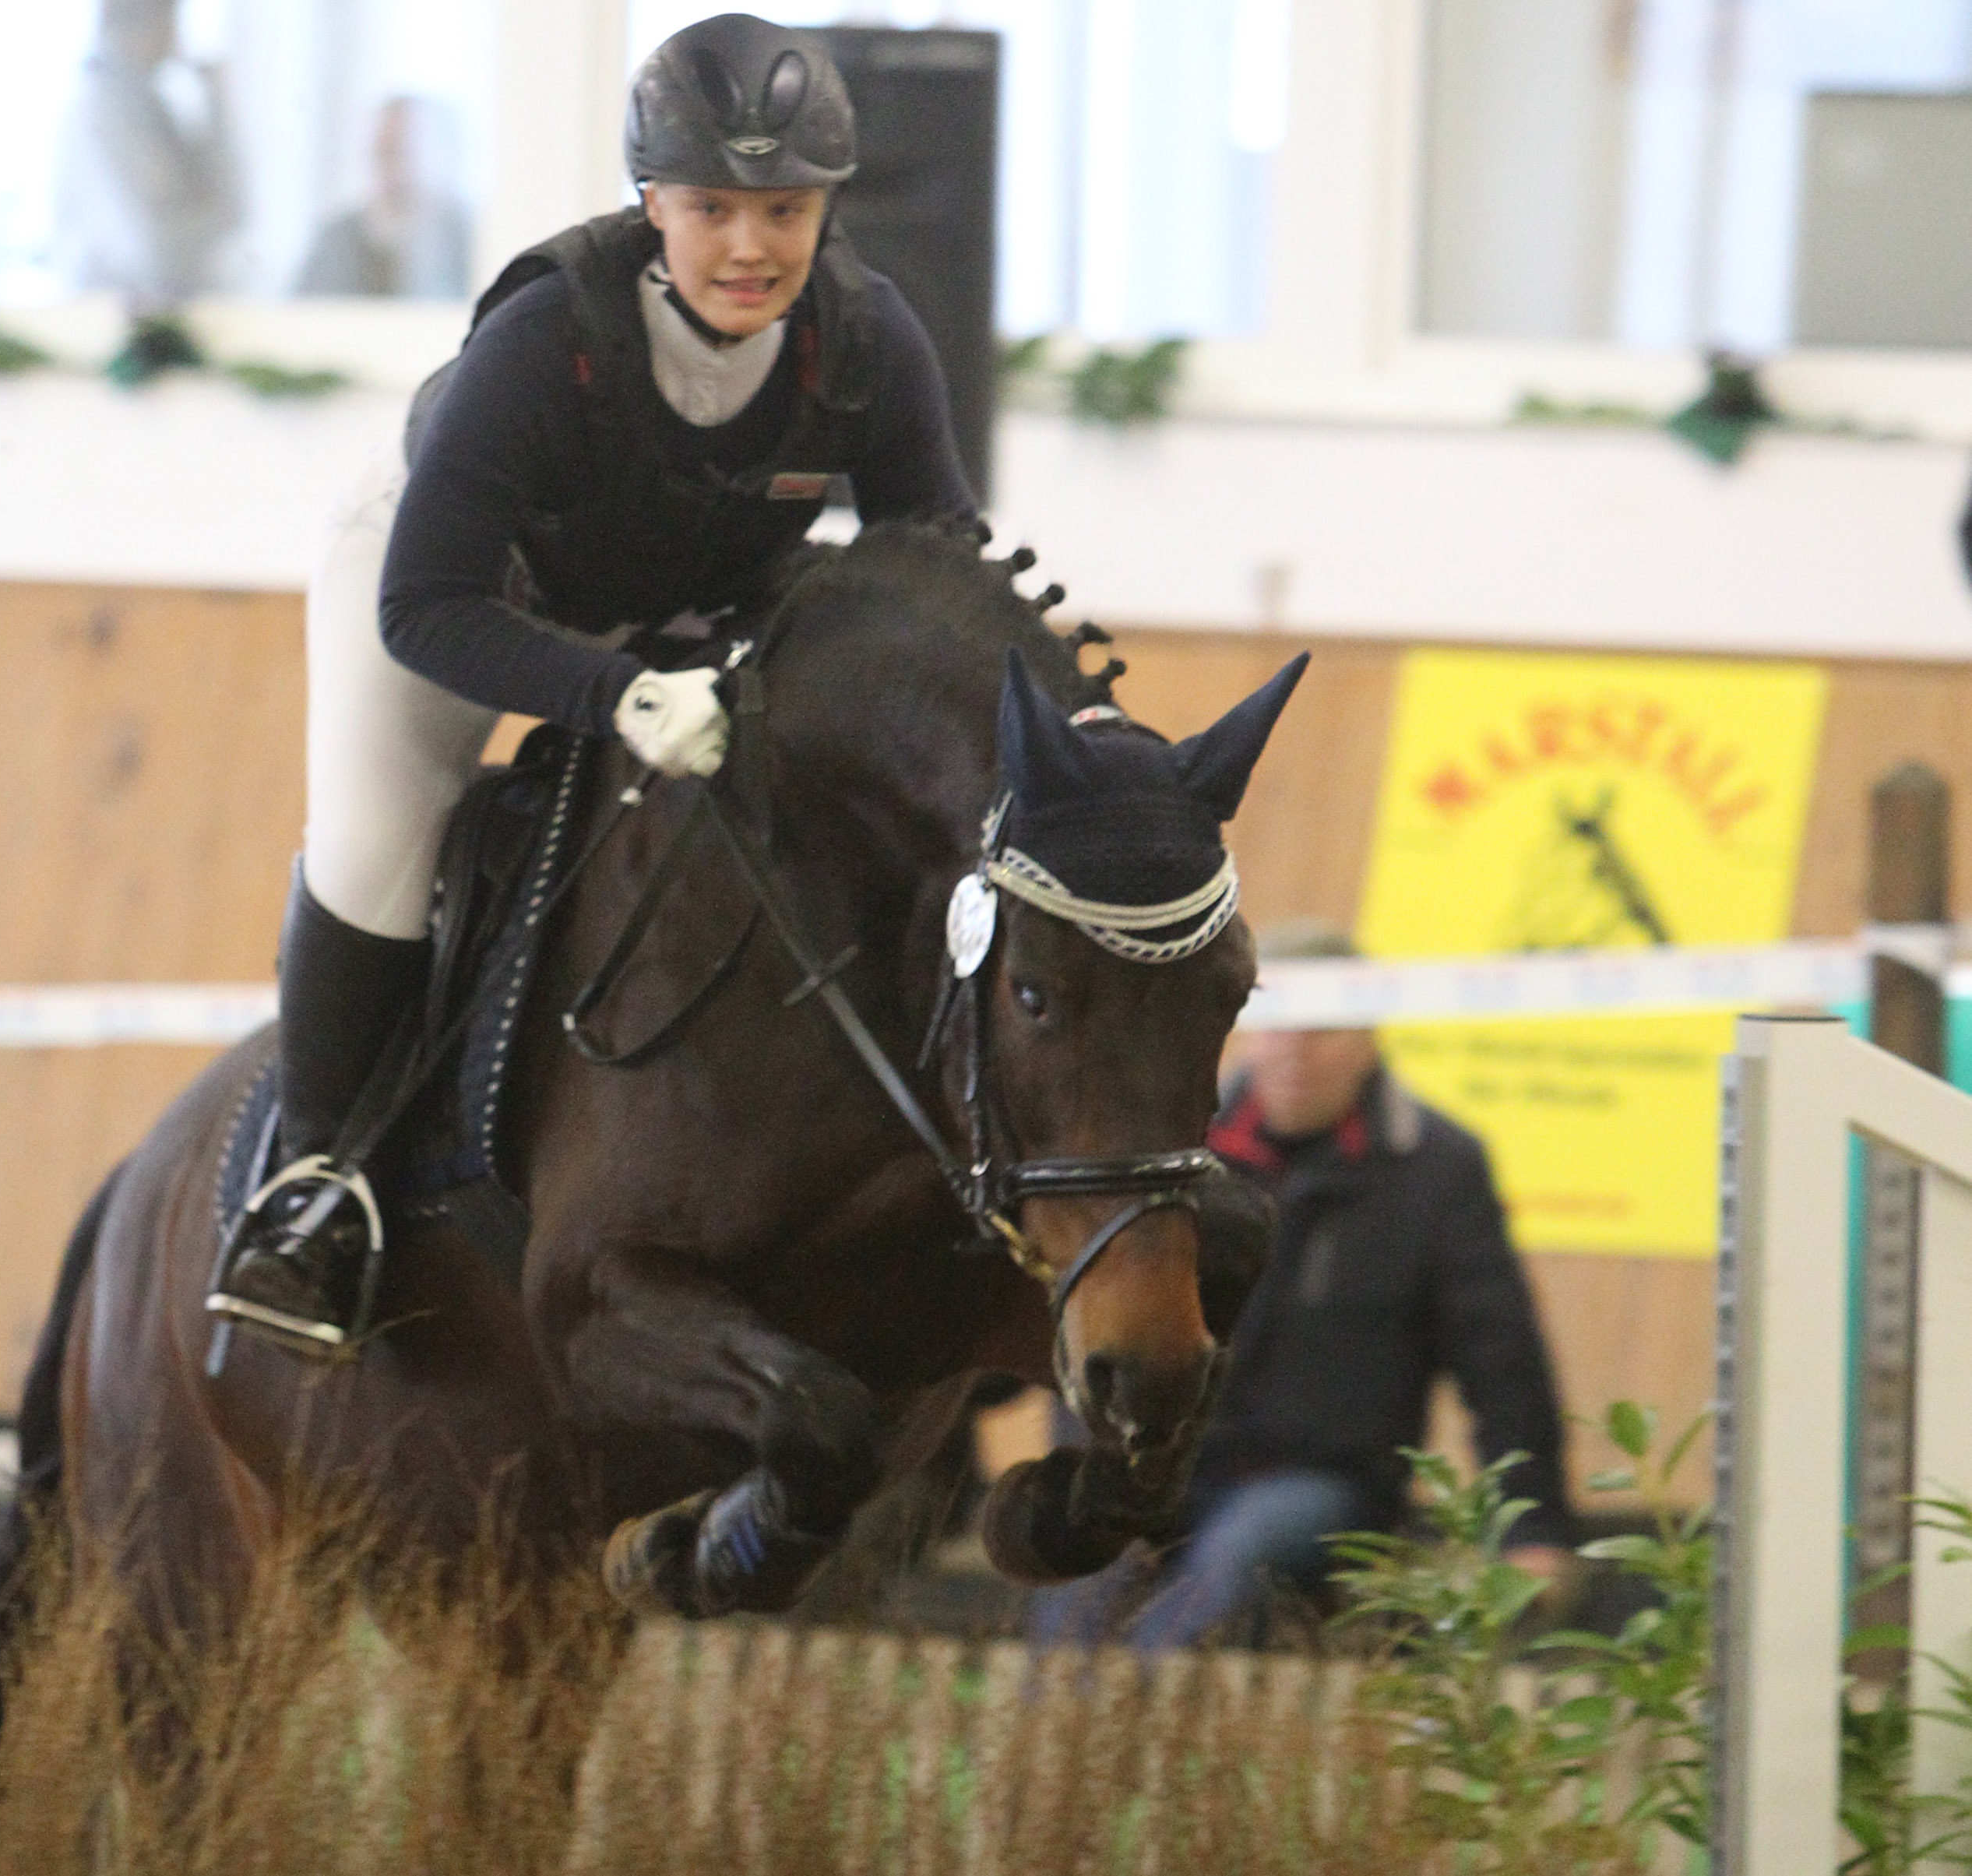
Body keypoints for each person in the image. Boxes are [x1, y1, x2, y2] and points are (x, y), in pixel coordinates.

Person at [210, 15, 975, 1354]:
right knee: (383, 838)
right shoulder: (549, 331)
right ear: (651, 204)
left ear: (827, 208)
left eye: (786, 209)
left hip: (676, 606)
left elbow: (942, 578)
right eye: (711, 208)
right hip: (454, 590)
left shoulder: (871, 340)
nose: (751, 246)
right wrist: (618, 693)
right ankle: (316, 1192)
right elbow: (422, 605)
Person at [1029, 920, 1577, 1649]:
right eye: (1274, 1023)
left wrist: (1532, 1525)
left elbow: (1502, 1362)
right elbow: (1092, 1331)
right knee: (1080, 1582)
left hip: (1323, 1482)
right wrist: (1089, 1474)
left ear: (1368, 1039)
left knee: (1235, 1562)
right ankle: (1064, 1732)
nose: (1292, 1047)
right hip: (1159, 1465)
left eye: (1319, 1028)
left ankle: (1121, 1730)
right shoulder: (1174, 1160)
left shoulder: (1436, 1171)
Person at [55, 0, 241, 301]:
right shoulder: (108, 110)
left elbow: (230, 210)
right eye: (170, 22)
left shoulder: (149, 106)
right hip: (128, 307)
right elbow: (157, 245)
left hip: (154, 301)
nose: (177, 38)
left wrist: (215, 107)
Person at [295, 97, 474, 301]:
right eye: (384, 154)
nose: (395, 171)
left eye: (405, 153)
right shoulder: (338, 238)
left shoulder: (469, 236)